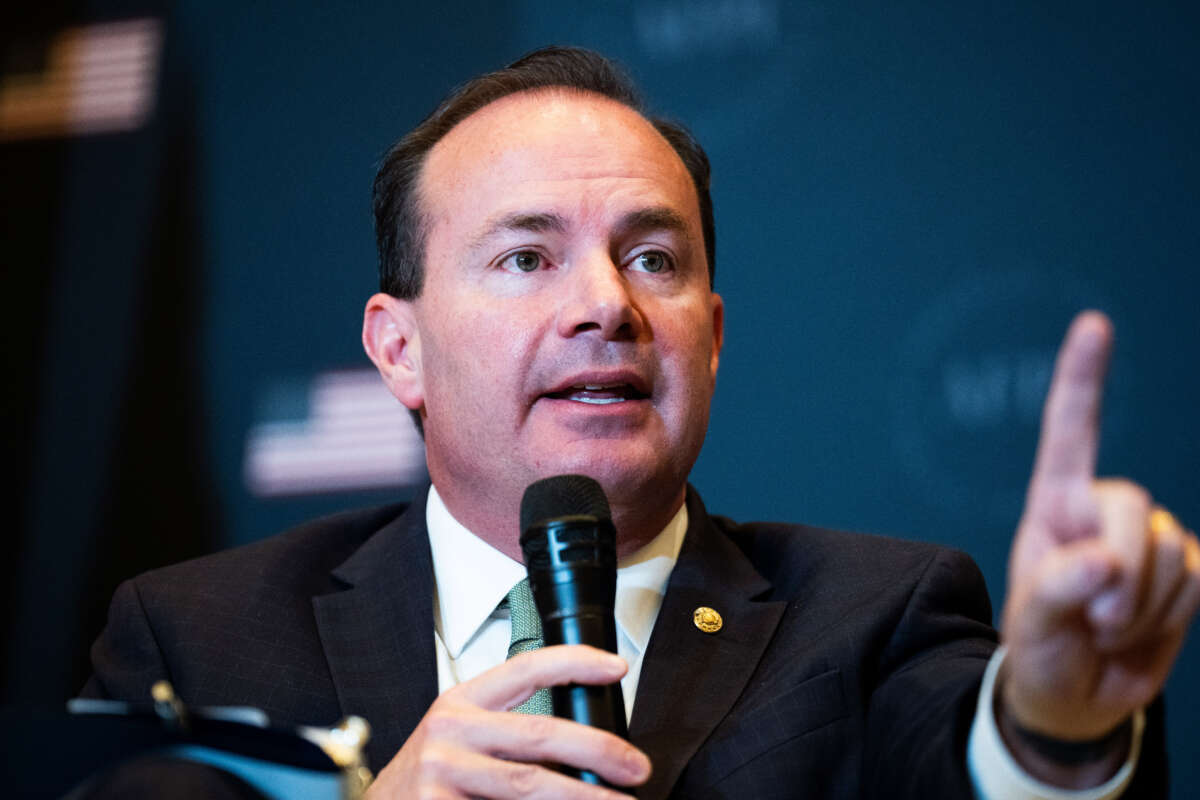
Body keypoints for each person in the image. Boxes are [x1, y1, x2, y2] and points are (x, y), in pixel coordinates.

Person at [85, 47, 1199, 799]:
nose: (606, 306)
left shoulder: (876, 618)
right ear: (398, 347)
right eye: (527, 258)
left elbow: (973, 765)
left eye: (652, 259)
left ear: (709, 336)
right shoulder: (198, 638)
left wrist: (1051, 721)